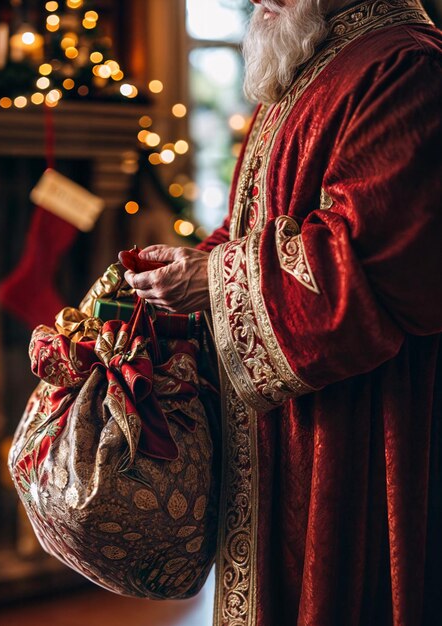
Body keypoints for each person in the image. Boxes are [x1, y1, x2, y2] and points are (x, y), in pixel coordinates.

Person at [123, 0, 442, 623]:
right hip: (286, 425)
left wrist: (212, 279)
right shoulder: (310, 62)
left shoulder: (406, 66)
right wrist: (189, 265)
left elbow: (374, 262)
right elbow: (258, 227)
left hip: (362, 423)